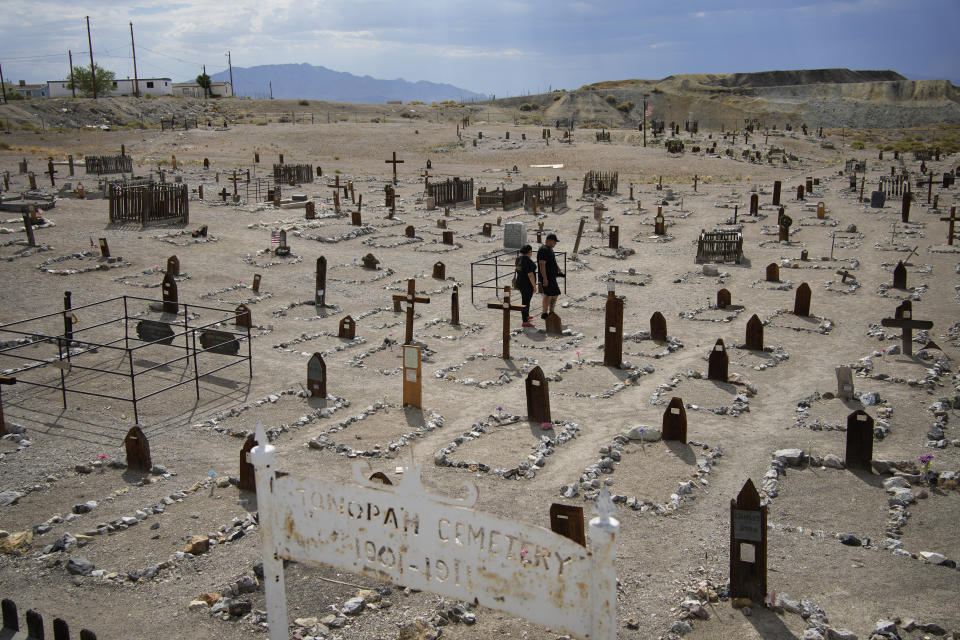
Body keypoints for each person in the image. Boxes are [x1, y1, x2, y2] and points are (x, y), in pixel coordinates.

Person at [537, 233, 564, 320]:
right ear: (549, 241)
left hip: (551, 277)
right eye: (554, 242)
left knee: (547, 294)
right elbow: (542, 264)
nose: (555, 243)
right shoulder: (543, 249)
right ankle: (550, 312)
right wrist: (545, 279)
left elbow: (553, 261)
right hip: (547, 277)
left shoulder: (549, 249)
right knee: (555, 293)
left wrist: (559, 270)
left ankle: (545, 313)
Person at [514, 244, 537, 327]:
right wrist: (534, 286)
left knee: (526, 300)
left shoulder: (518, 258)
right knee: (525, 302)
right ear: (529, 252)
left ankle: (526, 315)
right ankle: (525, 321)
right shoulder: (528, 261)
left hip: (520, 282)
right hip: (527, 284)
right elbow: (531, 275)